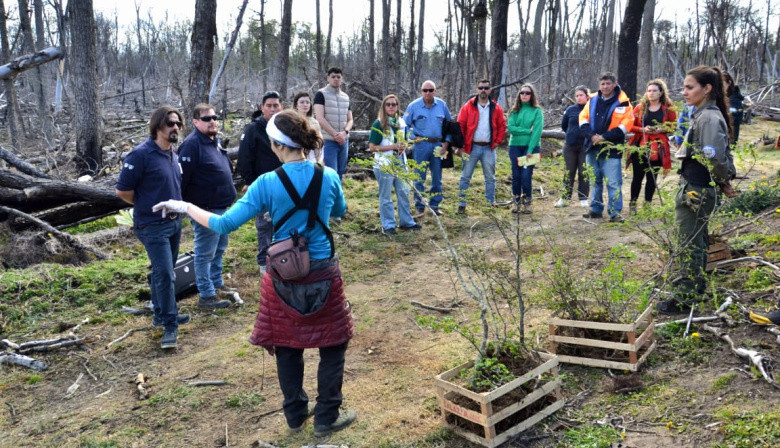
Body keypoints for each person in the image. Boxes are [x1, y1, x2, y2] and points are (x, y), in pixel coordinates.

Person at [153, 110, 355, 437]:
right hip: (323, 272)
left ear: (277, 145)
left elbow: (223, 224)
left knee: (288, 345)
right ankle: (326, 419)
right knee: (333, 344)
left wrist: (184, 206)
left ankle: (295, 416)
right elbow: (340, 210)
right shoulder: (328, 175)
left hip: (282, 274)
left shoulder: (266, 183)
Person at [656, 66, 736, 314]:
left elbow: (716, 159)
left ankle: (686, 295)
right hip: (695, 186)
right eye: (684, 87)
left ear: (707, 88)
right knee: (696, 240)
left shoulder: (709, 118)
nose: (684, 92)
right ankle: (695, 287)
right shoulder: (701, 114)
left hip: (697, 189)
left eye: (689, 87)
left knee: (689, 242)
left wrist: (721, 181)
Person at [115, 106, 191, 349]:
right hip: (151, 224)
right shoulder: (140, 155)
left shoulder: (172, 153)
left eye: (178, 123)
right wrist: (146, 205)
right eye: (170, 124)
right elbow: (123, 191)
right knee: (166, 273)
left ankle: (160, 313)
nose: (175, 128)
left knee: (163, 272)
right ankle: (170, 326)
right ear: (158, 126)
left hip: (174, 222)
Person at [178, 104, 234, 310]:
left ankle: (216, 282)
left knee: (219, 248)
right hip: (204, 209)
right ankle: (206, 295)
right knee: (205, 252)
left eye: (215, 117)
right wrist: (185, 207)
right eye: (207, 118)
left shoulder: (214, 142)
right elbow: (181, 180)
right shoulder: (191, 145)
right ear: (195, 122)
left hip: (222, 207)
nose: (212, 121)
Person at [237, 91, 283, 273]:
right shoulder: (253, 129)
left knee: (283, 221)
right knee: (264, 224)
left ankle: (283, 257)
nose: (272, 109)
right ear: (262, 108)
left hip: (284, 184)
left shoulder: (284, 127)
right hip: (262, 186)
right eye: (269, 106)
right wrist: (252, 182)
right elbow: (243, 159)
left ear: (281, 107)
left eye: (276, 106)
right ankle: (265, 263)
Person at [579, 72, 634, 223]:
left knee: (613, 182)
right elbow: (582, 119)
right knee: (594, 180)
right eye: (602, 84)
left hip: (612, 149)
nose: (605, 86)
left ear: (614, 84)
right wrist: (592, 136)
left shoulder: (624, 103)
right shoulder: (593, 101)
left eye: (608, 83)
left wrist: (604, 137)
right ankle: (596, 209)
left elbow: (625, 126)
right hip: (592, 147)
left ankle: (615, 213)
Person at [368, 95, 421, 234]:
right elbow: (373, 147)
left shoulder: (401, 123)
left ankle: (406, 222)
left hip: (400, 162)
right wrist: (392, 147)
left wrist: (404, 146)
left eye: (394, 104)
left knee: (403, 192)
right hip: (384, 164)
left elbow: (402, 143)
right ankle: (388, 225)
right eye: (388, 104)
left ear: (397, 106)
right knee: (386, 196)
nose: (391, 107)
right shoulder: (378, 124)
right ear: (384, 107)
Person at [455, 79, 507, 214]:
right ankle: (461, 204)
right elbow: (460, 126)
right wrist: (459, 146)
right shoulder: (468, 106)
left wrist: (497, 141)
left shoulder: (496, 108)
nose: (483, 90)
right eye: (480, 88)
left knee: (490, 177)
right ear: (477, 89)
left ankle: (490, 203)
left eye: (486, 88)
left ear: (490, 90)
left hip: (488, 148)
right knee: (465, 176)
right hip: (471, 147)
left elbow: (502, 125)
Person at [626, 79, 677, 213]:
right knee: (637, 176)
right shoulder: (640, 107)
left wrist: (662, 129)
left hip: (658, 147)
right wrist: (643, 129)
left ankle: (647, 205)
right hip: (640, 145)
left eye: (654, 91)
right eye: (649, 91)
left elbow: (673, 126)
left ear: (661, 93)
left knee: (652, 177)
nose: (651, 93)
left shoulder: (668, 108)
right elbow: (630, 125)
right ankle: (632, 204)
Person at [403, 80, 453, 216]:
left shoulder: (442, 105)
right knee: (419, 177)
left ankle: (435, 206)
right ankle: (419, 206)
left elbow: (450, 125)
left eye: (431, 90)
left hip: (438, 145)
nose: (428, 93)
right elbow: (404, 125)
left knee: (437, 177)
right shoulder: (413, 106)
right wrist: (413, 137)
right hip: (421, 145)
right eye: (425, 90)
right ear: (421, 91)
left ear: (435, 91)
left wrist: (446, 142)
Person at [507, 83, 544, 214]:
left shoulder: (537, 111)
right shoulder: (514, 111)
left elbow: (537, 132)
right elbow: (511, 129)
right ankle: (516, 202)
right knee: (516, 175)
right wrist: (528, 130)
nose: (524, 95)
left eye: (527, 93)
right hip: (515, 147)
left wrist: (530, 149)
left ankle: (527, 202)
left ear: (532, 95)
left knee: (526, 176)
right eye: (522, 93)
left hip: (531, 149)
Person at [314, 67, 353, 179]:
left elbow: (350, 119)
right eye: (333, 77)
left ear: (342, 79)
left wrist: (344, 133)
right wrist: (335, 135)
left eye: (338, 77)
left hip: (344, 141)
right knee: (331, 173)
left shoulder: (345, 97)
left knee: (340, 171)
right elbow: (320, 118)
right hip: (328, 141)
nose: (336, 79)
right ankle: (329, 196)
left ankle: (338, 196)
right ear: (328, 78)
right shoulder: (321, 94)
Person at [556, 86, 591, 208]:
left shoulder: (591, 109)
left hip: (585, 146)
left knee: (584, 172)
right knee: (569, 172)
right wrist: (572, 134)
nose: (579, 98)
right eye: (577, 96)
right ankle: (565, 198)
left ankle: (583, 198)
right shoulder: (570, 110)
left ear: (587, 96)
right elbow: (564, 125)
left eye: (581, 95)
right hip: (570, 146)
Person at [293, 90, 323, 163]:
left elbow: (318, 144)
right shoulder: (292, 121)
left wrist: (318, 160)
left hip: (312, 159)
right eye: (302, 102)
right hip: (295, 158)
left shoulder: (315, 122)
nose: (305, 105)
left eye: (307, 102)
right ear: (296, 105)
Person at [723, 72, 745, 144]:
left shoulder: (734, 99)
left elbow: (732, 118)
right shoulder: (723, 96)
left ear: (729, 82)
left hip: (729, 137)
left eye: (722, 83)